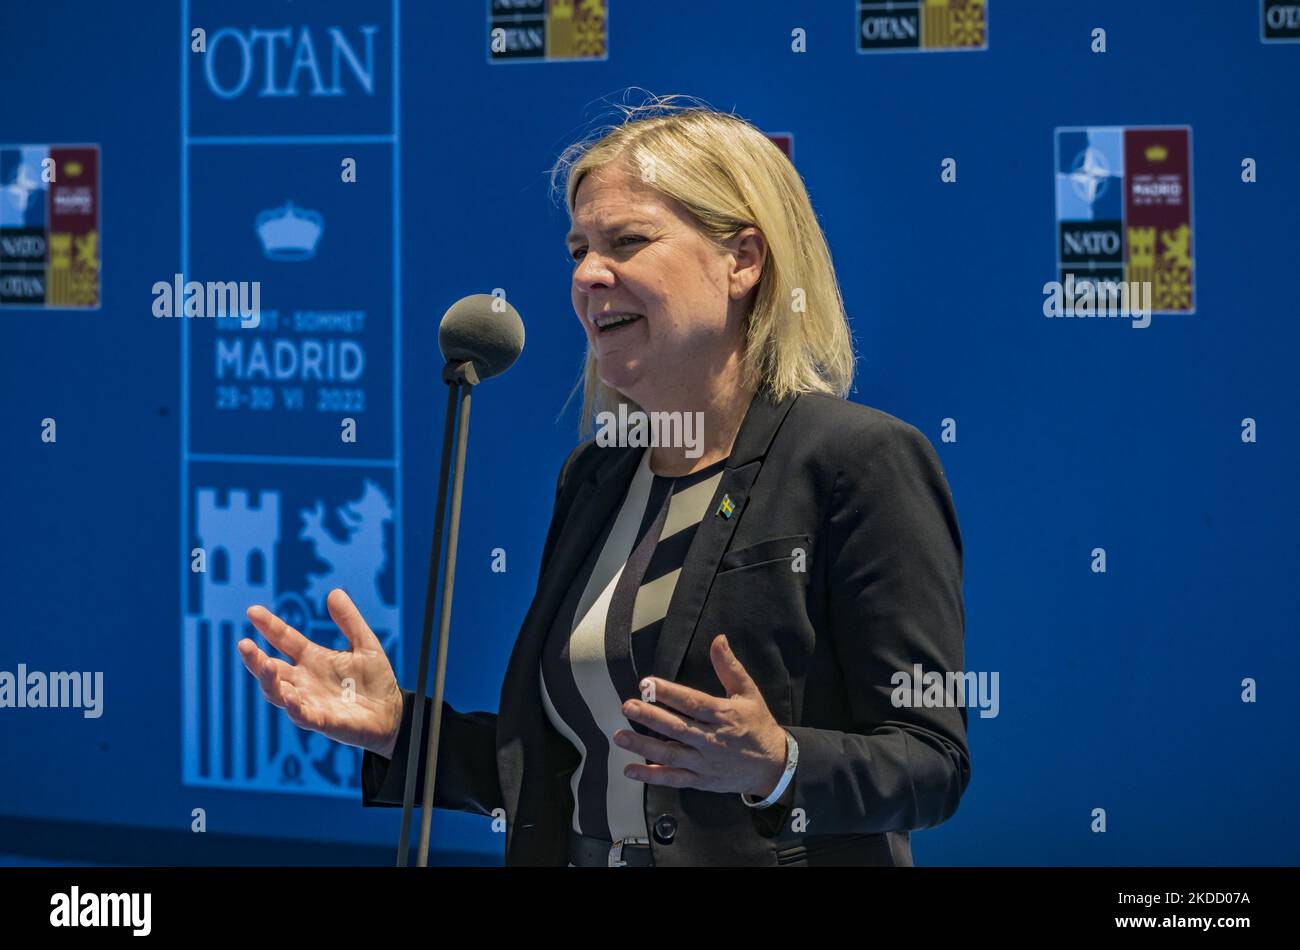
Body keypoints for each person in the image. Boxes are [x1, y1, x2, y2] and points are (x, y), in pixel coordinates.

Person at [238, 95, 970, 866]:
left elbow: (931, 763)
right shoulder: (595, 478)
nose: (589, 273)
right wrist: (399, 727)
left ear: (744, 261)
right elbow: (566, 771)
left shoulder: (858, 461)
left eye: (628, 240)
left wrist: (777, 764)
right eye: (578, 247)